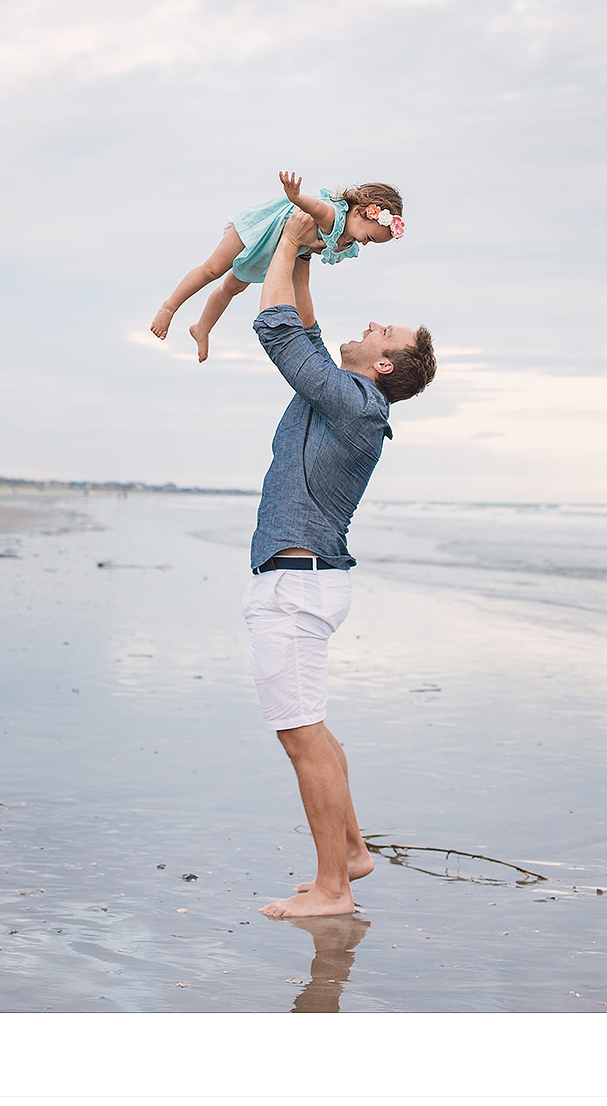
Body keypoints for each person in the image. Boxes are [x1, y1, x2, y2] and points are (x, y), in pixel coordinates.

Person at [243, 206, 435, 919]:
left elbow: (279, 331)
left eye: (383, 333)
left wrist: (292, 236)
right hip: (303, 579)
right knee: (312, 728)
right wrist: (303, 259)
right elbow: (309, 331)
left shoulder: (355, 404)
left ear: (383, 366)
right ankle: (350, 852)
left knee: (302, 736)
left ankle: (334, 888)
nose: (373, 322)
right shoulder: (344, 395)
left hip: (299, 584)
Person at [151, 171, 405, 362]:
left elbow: (315, 251)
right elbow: (315, 207)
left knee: (232, 287)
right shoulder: (333, 215)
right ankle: (169, 307)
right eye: (369, 237)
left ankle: (202, 328)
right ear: (361, 212)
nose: (364, 243)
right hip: (261, 228)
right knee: (213, 269)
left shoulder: (346, 240)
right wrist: (295, 196)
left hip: (275, 249)